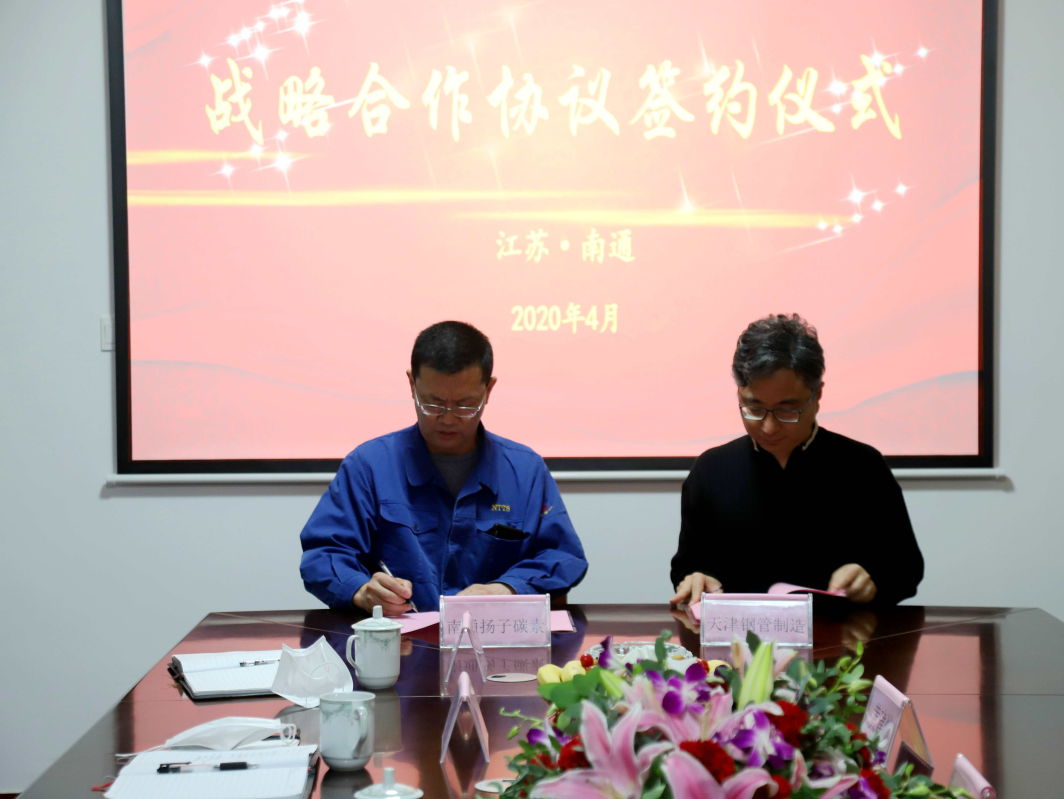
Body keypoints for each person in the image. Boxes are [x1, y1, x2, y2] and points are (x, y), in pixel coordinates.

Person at [300, 321, 588, 614]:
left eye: (465, 405)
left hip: (494, 635)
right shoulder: (369, 466)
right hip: (401, 638)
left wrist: (507, 588)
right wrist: (361, 591)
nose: (448, 419)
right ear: (412, 384)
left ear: (488, 390)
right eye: (433, 404)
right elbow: (323, 554)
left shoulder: (525, 471)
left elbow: (562, 556)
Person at [670, 314, 923, 606]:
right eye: (754, 408)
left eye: (786, 410)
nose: (769, 427)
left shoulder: (863, 466)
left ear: (817, 396)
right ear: (739, 393)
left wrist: (873, 579)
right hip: (741, 633)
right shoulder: (711, 470)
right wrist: (695, 579)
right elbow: (686, 566)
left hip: (840, 633)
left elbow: (907, 569)